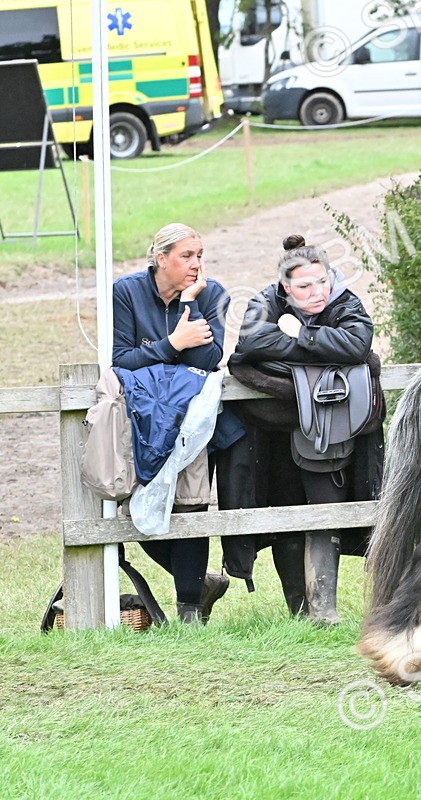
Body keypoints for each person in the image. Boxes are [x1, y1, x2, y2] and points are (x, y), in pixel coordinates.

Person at [226, 235, 378, 625]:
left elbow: (358, 345)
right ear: (286, 288)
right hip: (271, 423)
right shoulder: (264, 301)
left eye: (322, 281)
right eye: (305, 286)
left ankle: (323, 608)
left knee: (327, 507)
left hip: (334, 419)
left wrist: (300, 334)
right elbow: (253, 341)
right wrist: (324, 348)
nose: (317, 292)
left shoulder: (345, 301)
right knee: (283, 503)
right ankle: (299, 608)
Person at [112, 223, 230, 624]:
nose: (197, 264)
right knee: (140, 509)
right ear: (161, 258)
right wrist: (173, 345)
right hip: (142, 421)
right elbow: (121, 361)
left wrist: (191, 303)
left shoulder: (212, 293)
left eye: (200, 255)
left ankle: (190, 610)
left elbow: (207, 361)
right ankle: (201, 583)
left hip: (193, 421)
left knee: (191, 506)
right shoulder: (126, 292)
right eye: (187, 256)